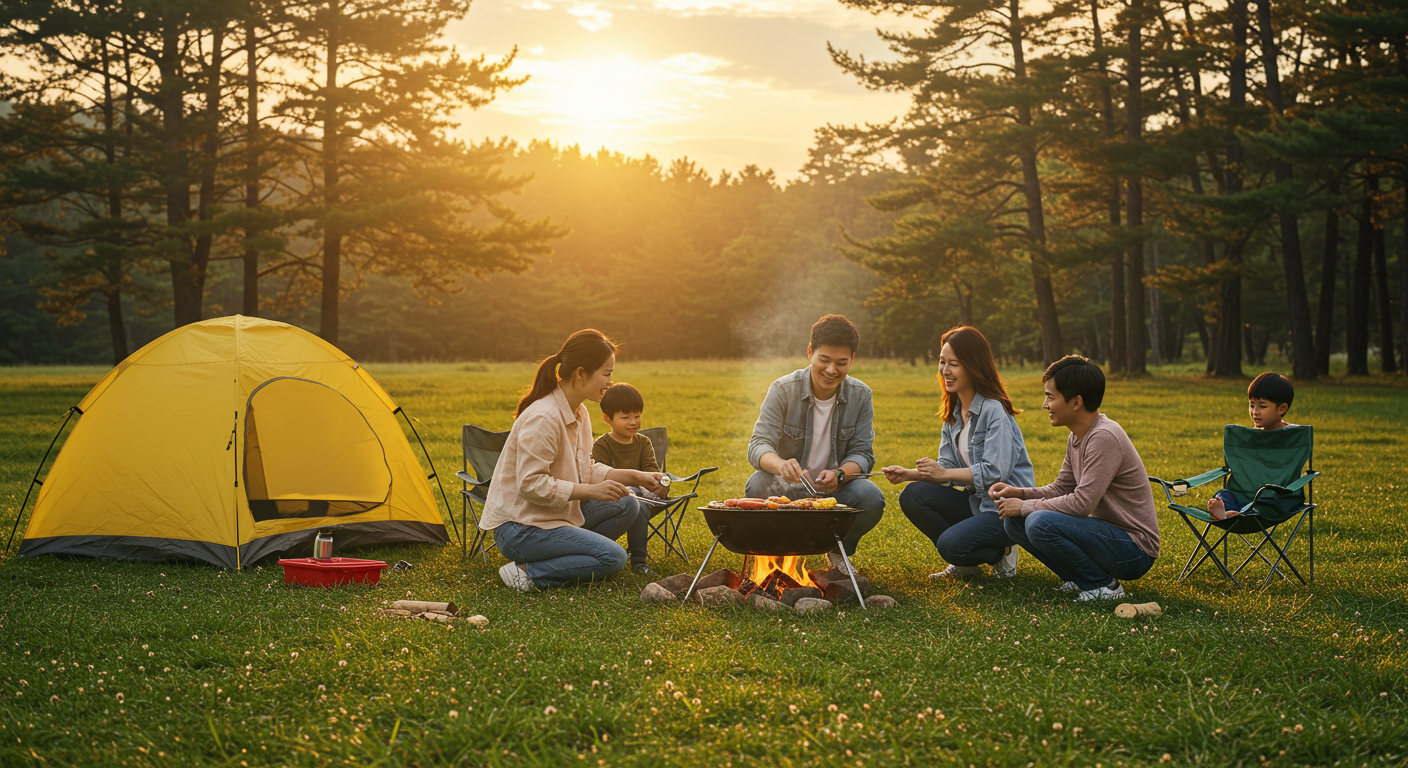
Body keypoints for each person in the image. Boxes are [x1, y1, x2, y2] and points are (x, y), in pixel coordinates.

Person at [480, 330, 665, 591]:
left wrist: (636, 476)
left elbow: (584, 468)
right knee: (615, 557)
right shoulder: (544, 417)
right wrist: (591, 491)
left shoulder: (580, 412)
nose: (610, 382)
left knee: (628, 503)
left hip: (555, 517)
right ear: (581, 374)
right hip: (521, 529)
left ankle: (576, 557)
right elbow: (531, 484)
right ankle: (526, 572)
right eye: (606, 373)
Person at [989, 356, 1160, 602]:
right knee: (1014, 522)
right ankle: (1081, 578)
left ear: (1076, 402)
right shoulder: (1077, 437)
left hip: (1134, 549)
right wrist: (1020, 494)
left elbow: (1081, 503)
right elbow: (1062, 488)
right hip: (1103, 536)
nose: (1044, 404)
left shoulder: (1104, 437)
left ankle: (1104, 586)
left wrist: (1026, 506)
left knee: (1038, 521)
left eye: (1050, 396)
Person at [882, 326, 1034, 580]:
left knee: (949, 546)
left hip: (1006, 510)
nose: (945, 370)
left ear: (974, 366)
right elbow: (948, 467)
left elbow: (994, 472)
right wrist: (909, 474)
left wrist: (944, 472)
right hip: (977, 504)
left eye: (954, 363)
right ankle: (966, 564)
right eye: (942, 362)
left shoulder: (994, 410)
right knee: (913, 495)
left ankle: (1000, 551)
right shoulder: (953, 413)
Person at [745, 314, 885, 574]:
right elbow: (758, 445)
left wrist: (840, 475)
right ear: (810, 352)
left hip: (834, 494)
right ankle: (780, 552)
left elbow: (863, 453)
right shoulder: (783, 389)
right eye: (824, 360)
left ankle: (836, 548)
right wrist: (781, 465)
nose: (832, 370)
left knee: (870, 496)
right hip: (788, 489)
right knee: (757, 484)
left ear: (852, 360)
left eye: (841, 363)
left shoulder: (861, 395)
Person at [591, 382, 662, 575]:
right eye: (625, 417)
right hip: (615, 499)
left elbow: (651, 471)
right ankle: (638, 561)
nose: (633, 422)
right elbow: (600, 478)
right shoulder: (602, 445)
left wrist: (659, 484)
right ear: (608, 419)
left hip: (645, 496)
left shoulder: (643, 442)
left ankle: (639, 561)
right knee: (635, 502)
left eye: (637, 416)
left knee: (640, 501)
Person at [1208, 371, 1296, 521]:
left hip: (1273, 500)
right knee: (1223, 494)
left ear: (1282, 409)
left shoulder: (1292, 438)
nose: (1255, 412)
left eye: (1262, 406)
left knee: (1264, 501)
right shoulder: (1249, 438)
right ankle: (1229, 513)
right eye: (1251, 405)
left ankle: (1234, 514)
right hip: (1242, 496)